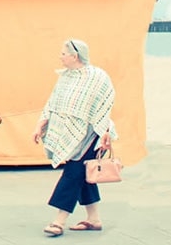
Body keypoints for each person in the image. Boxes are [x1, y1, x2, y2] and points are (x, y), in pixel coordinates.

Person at [31, 39, 117, 237]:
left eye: (63, 53)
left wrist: (104, 131)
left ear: (74, 55)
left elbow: (106, 104)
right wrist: (40, 124)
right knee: (84, 175)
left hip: (91, 134)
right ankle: (94, 219)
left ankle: (59, 221)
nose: (60, 57)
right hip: (70, 134)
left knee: (73, 173)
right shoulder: (65, 77)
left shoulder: (97, 77)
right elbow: (52, 103)